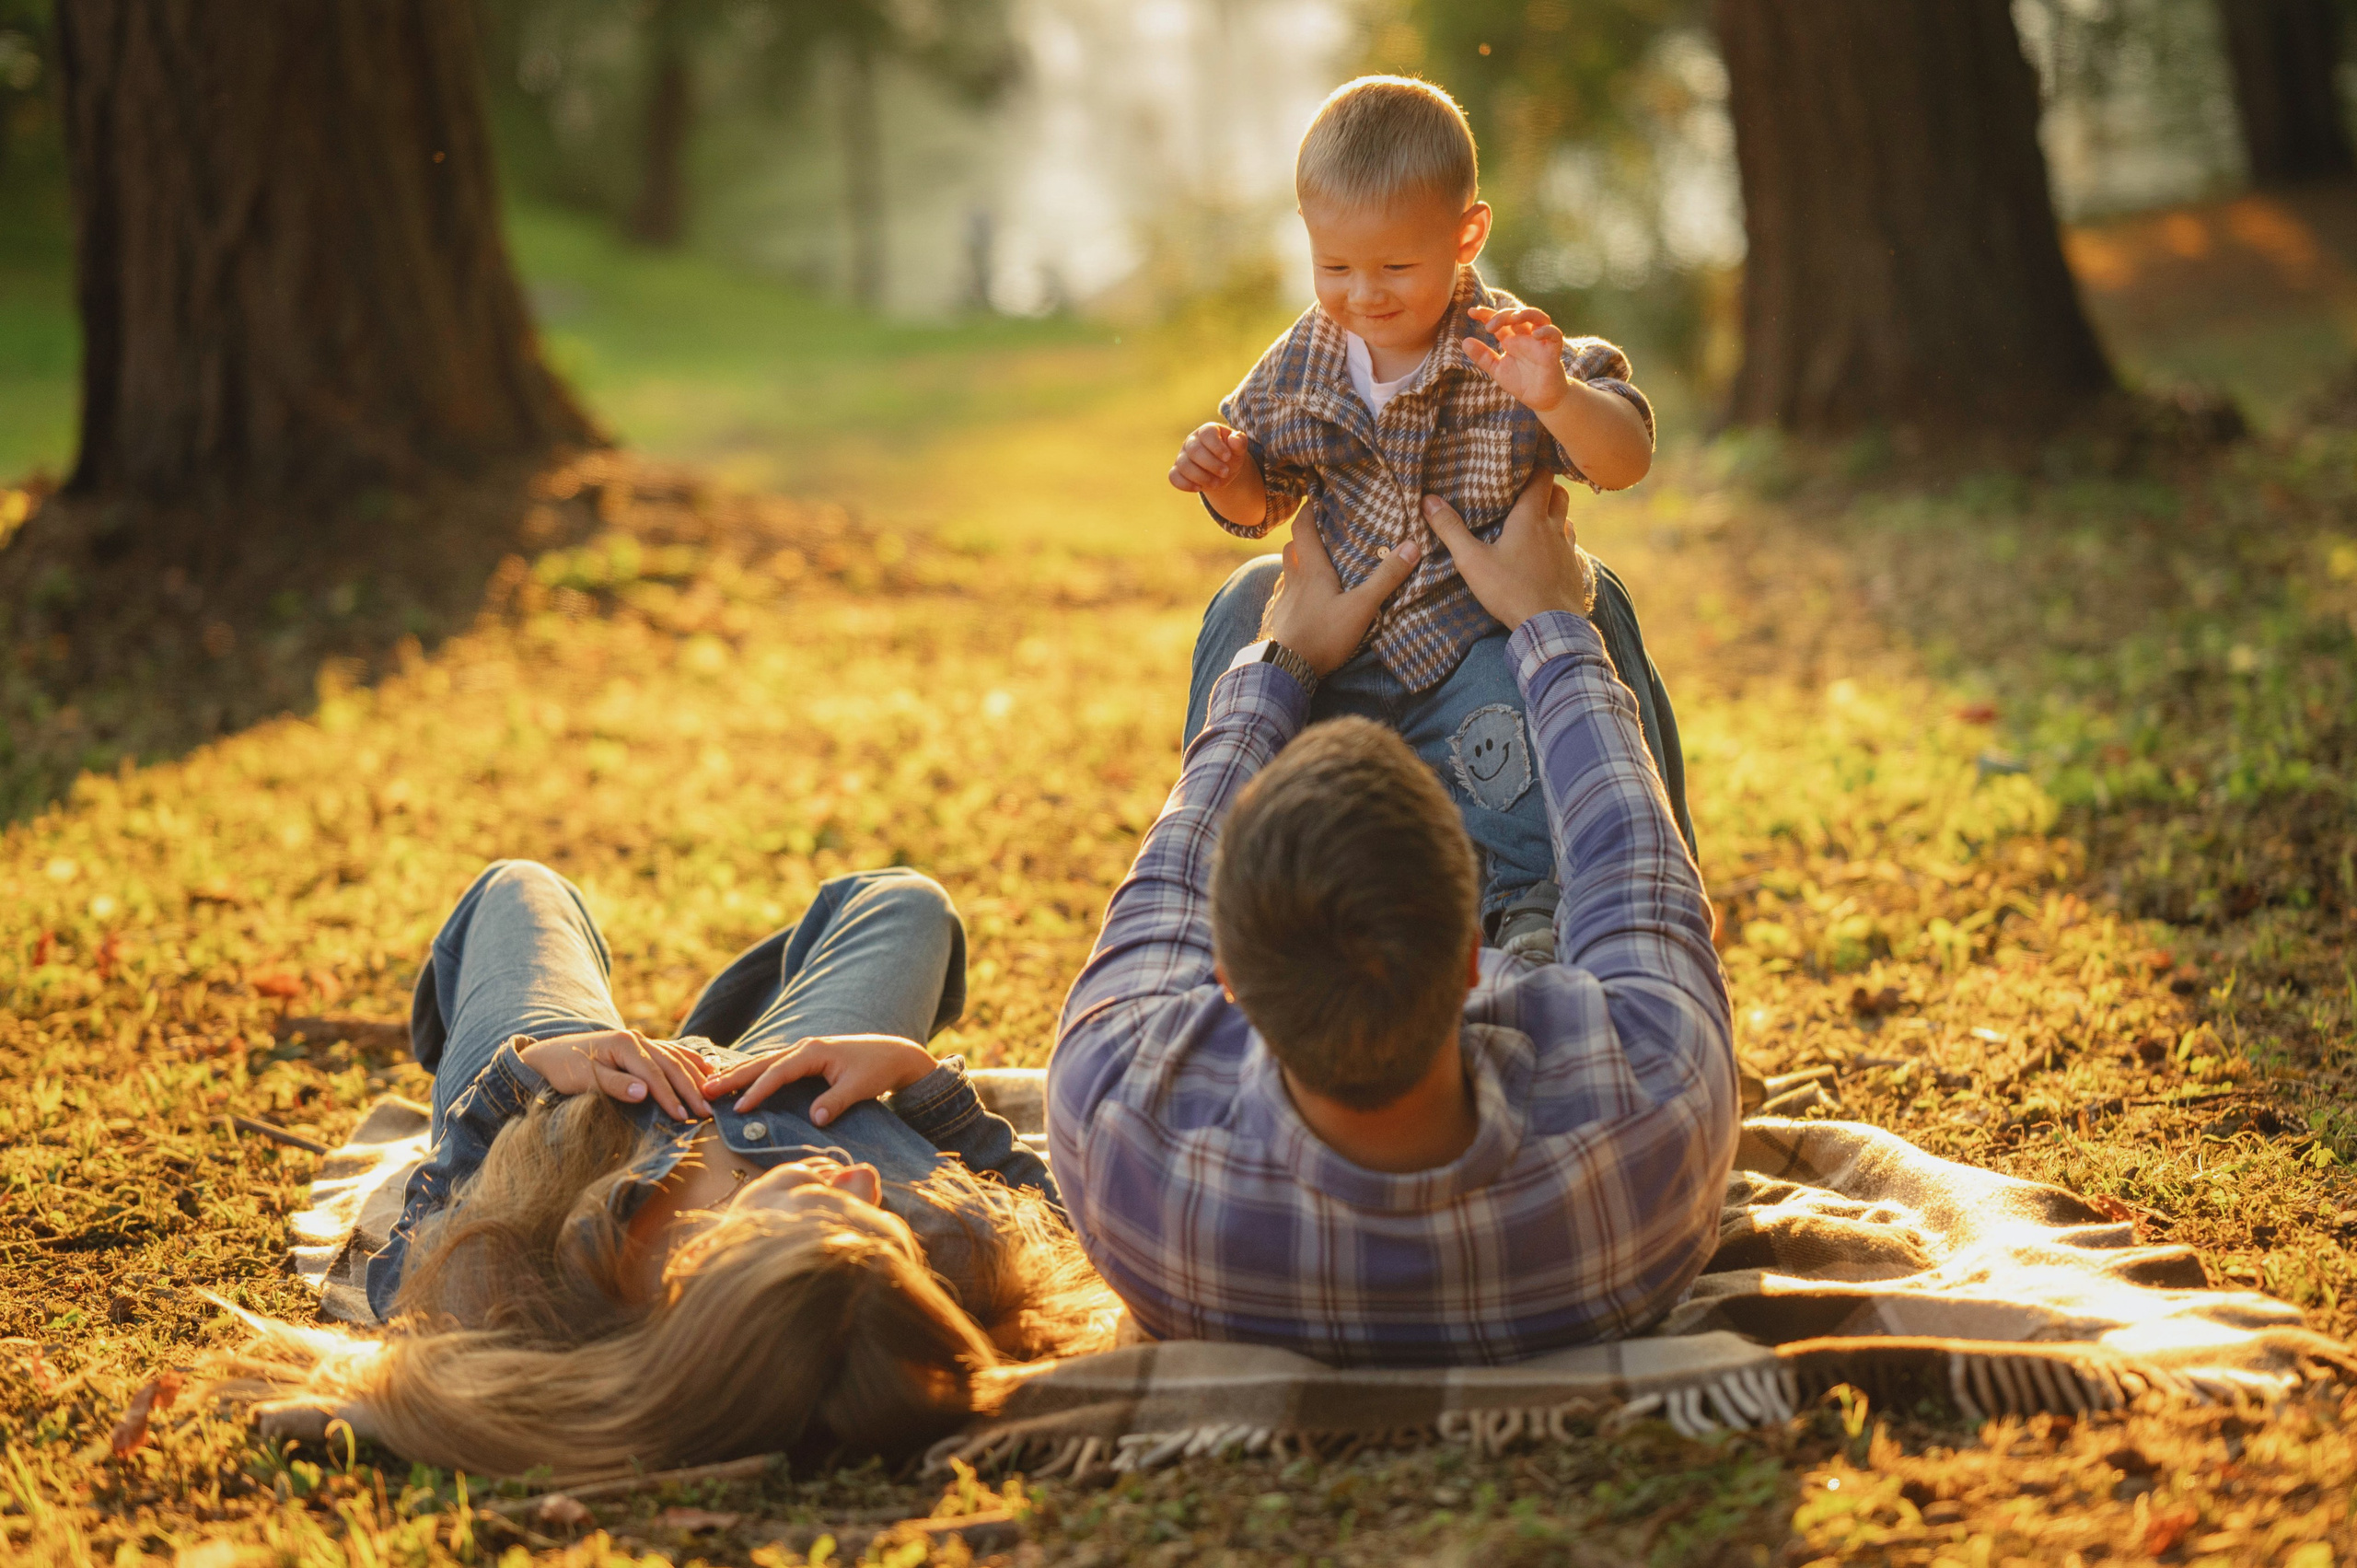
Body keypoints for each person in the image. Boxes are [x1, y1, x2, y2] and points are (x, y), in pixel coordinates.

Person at [1049, 474, 1737, 1367]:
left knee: (1253, 601)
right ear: (1473, 961)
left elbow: (1174, 872)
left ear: (1227, 978)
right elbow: (1628, 856)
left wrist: (1281, 656)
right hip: (1546, 1033)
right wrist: (1552, 621)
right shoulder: (1662, 1099)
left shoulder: (1112, 1123)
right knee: (1589, 592)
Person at [215, 861, 1118, 1473]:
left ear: (720, 1278)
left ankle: (611, 1031)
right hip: (797, 1081)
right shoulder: (919, 1275)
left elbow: (429, 1228)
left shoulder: (552, 1298)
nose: (864, 1183)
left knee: (521, 888)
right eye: (887, 1234)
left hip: (578, 1083)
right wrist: (918, 1079)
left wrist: (529, 1071)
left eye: (827, 1207)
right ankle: (732, 1023)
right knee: (904, 901)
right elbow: (1061, 1221)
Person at [1167, 75, 1685, 961]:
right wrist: (1230, 475)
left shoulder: (1508, 347)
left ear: (1466, 235)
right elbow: (1265, 499)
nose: (1364, 293)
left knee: (1516, 758)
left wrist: (1557, 399)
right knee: (1264, 668)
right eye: (1335, 268)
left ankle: (1530, 916)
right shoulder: (1301, 364)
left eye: (1396, 267)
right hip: (1346, 646)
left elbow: (1624, 456)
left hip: (1476, 633)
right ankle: (1249, 908)